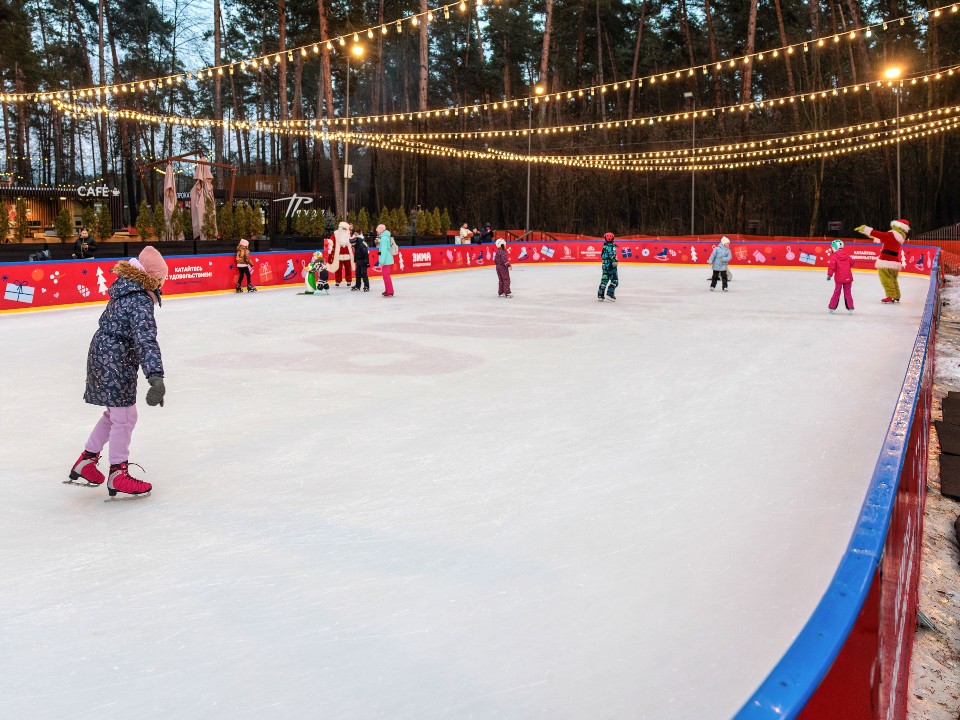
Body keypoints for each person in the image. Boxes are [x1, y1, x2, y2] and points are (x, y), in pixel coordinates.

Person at [67, 246, 168, 498]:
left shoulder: (126, 290)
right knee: (124, 417)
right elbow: (146, 340)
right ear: (154, 277)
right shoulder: (140, 300)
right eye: (163, 278)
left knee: (116, 414)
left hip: (104, 355)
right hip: (115, 361)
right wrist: (155, 376)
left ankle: (86, 461)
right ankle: (118, 474)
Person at [855, 218, 909, 303]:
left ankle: (890, 295)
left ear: (897, 226)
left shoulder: (891, 234)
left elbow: (879, 234)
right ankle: (896, 295)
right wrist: (865, 232)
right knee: (893, 280)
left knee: (886, 280)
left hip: (886, 261)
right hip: (895, 262)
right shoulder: (899, 237)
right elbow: (880, 238)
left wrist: (865, 229)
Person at [826, 239, 854, 314]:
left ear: (834, 247)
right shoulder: (847, 255)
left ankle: (832, 307)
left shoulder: (834, 256)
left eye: (832, 247)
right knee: (848, 292)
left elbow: (832, 266)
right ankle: (850, 307)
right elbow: (852, 263)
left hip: (839, 278)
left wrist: (829, 275)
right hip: (848, 277)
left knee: (837, 292)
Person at [327, 221, 355, 287]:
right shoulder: (336, 234)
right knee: (338, 268)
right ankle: (338, 280)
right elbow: (331, 240)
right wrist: (329, 242)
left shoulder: (348, 233)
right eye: (344, 228)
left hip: (348, 254)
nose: (345, 230)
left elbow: (352, 241)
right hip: (339, 254)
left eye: (346, 229)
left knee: (348, 268)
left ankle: (349, 280)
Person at [597, 232, 619, 301]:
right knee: (615, 280)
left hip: (604, 265)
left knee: (604, 279)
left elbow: (602, 256)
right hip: (611, 265)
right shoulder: (612, 246)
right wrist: (615, 261)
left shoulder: (604, 246)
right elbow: (612, 255)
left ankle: (600, 295)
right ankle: (610, 294)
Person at [377, 223, 395, 297]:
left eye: (377, 230)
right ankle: (388, 290)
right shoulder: (385, 237)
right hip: (387, 259)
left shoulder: (384, 238)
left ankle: (390, 291)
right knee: (386, 276)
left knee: (386, 276)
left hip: (386, 260)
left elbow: (383, 251)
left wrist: (382, 261)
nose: (377, 232)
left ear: (381, 230)